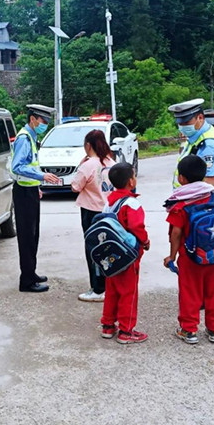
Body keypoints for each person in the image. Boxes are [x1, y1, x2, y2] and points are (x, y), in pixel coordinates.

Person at [163, 155, 214, 344]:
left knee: (190, 292)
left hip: (190, 257)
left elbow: (176, 233)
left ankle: (189, 330)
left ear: (181, 178)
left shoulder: (181, 203)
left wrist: (172, 256)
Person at [10, 104, 61, 293]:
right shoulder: (24, 138)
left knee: (33, 235)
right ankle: (26, 281)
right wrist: (42, 176)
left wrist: (37, 185)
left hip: (30, 190)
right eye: (43, 120)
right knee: (27, 238)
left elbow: (31, 164)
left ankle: (31, 273)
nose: (45, 124)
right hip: (23, 193)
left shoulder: (31, 137)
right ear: (33, 119)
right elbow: (17, 166)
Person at [100, 163, 150, 344]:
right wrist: (145, 241)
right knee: (129, 292)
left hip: (111, 255)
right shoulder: (132, 203)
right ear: (131, 181)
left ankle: (107, 326)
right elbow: (137, 227)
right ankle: (126, 331)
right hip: (129, 256)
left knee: (112, 290)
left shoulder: (109, 203)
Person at [71, 129, 116, 302]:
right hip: (110, 211)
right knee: (109, 247)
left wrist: (81, 164)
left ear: (88, 145)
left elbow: (75, 186)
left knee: (93, 249)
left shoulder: (88, 165)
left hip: (91, 212)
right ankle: (109, 286)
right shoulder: (111, 162)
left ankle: (98, 289)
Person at [168, 98, 214, 194]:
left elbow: (209, 182)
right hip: (188, 198)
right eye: (180, 123)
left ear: (200, 118)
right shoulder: (195, 137)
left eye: (186, 123)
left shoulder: (209, 145)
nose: (182, 126)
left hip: (199, 200)